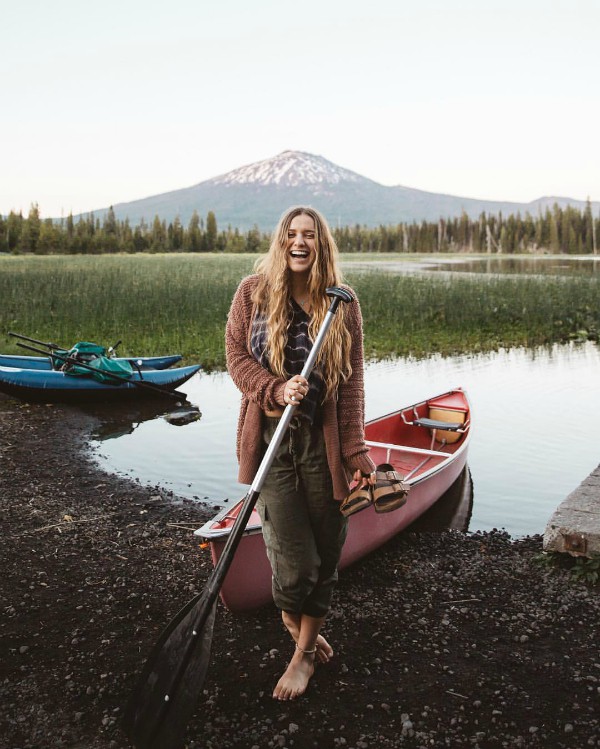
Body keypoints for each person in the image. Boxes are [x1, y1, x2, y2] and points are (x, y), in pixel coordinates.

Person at [225, 205, 376, 701]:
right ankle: (301, 630)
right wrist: (273, 388)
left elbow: (351, 384)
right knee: (294, 565)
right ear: (280, 240)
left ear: (321, 244)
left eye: (309, 235)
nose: (300, 242)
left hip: (320, 444)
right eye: (292, 233)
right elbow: (236, 359)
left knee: (325, 553)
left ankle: (302, 656)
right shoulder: (252, 291)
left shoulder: (341, 303)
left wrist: (356, 454)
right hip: (271, 443)